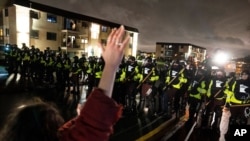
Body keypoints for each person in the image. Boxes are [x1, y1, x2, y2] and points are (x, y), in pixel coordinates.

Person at [0, 25, 130, 141]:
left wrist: (82, 118)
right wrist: (111, 66)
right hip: (95, 77)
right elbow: (91, 127)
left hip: (105, 79)